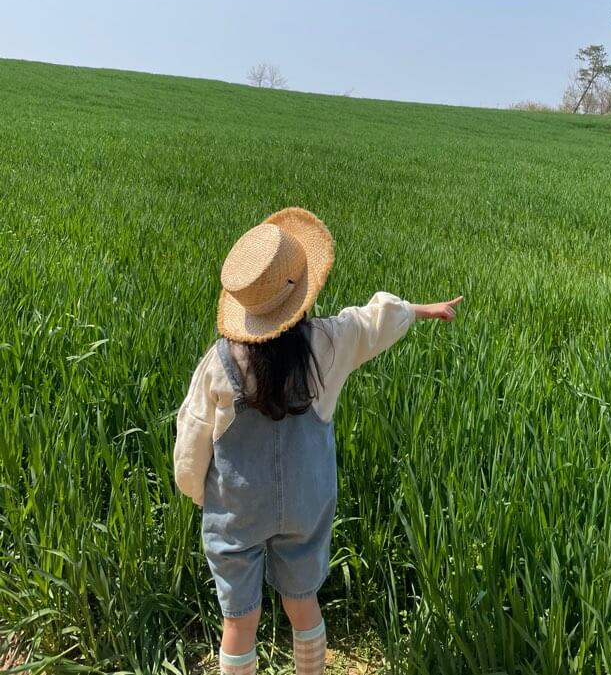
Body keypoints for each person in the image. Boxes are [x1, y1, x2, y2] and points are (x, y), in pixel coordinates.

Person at [174, 206, 462, 675]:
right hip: (306, 502)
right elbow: (373, 321)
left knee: (240, 619)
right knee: (303, 602)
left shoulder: (220, 362)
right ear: (301, 294)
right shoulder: (329, 342)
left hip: (237, 506)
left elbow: (192, 438)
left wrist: (195, 491)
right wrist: (421, 310)